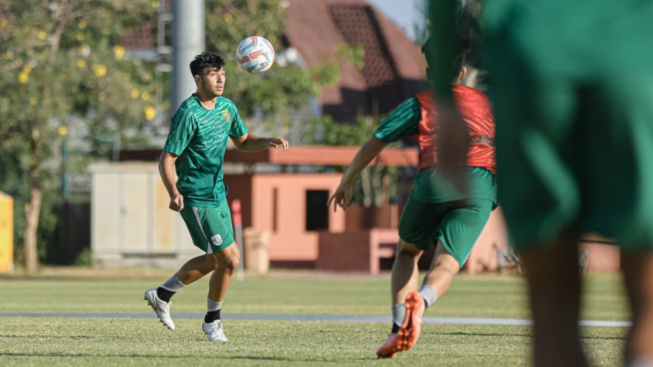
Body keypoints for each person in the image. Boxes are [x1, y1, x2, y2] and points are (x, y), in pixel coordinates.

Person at [428, 1, 653, 366]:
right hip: (637, 56)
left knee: (552, 312)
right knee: (649, 304)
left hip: (530, 58)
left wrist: (444, 94)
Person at [327, 41, 496, 359]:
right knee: (448, 262)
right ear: (462, 72)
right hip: (481, 185)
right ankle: (424, 301)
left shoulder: (421, 102)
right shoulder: (487, 103)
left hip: (437, 178)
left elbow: (373, 145)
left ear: (430, 73)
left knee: (407, 252)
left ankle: (398, 327)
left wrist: (346, 181)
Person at [144, 52, 289, 342]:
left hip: (218, 194)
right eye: (213, 73)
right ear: (198, 79)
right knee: (231, 260)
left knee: (219, 261)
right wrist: (174, 193)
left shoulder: (226, 108)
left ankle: (162, 295)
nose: (220, 78)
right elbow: (167, 159)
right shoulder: (189, 113)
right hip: (195, 197)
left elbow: (244, 142)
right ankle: (212, 322)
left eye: (222, 72)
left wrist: (266, 141)